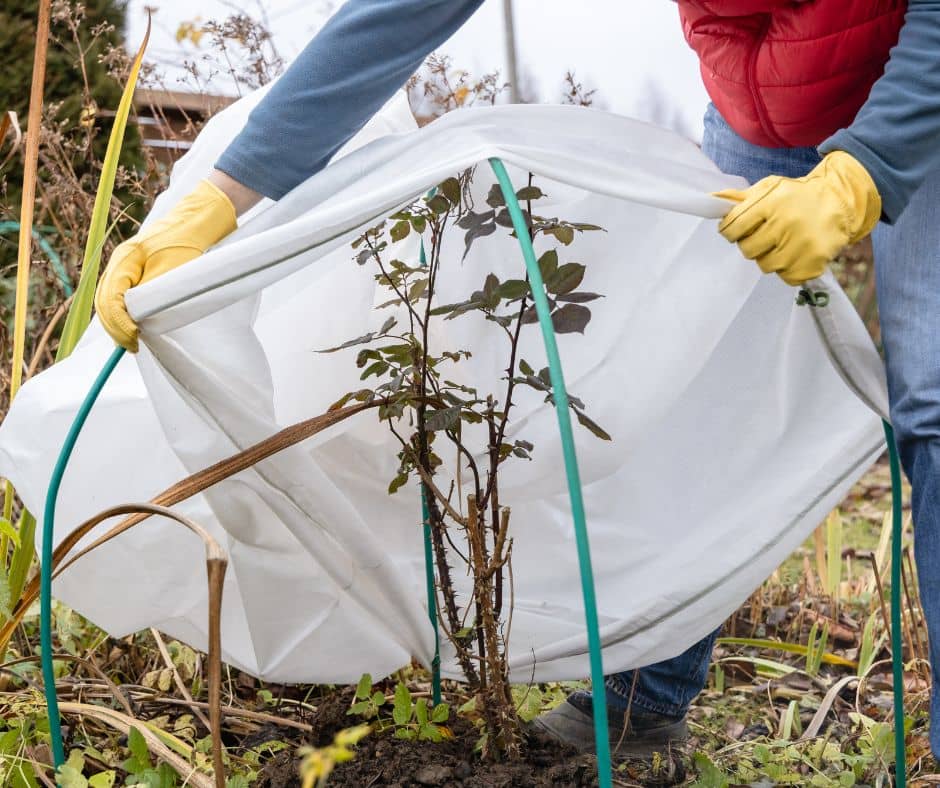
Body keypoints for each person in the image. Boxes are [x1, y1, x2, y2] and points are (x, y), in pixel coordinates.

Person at [94, 0, 940, 759]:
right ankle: (641, 704)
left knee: (932, 401)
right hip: (762, 91)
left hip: (919, 74)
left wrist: (865, 167)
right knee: (689, 374)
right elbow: (400, 13)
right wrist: (216, 202)